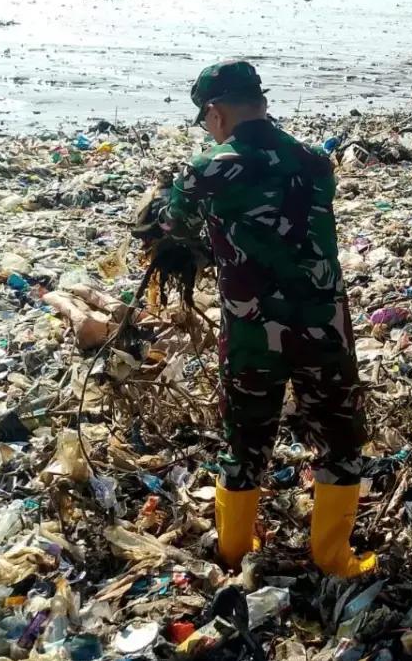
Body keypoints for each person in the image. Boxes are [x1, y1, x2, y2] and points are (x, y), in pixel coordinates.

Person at [147, 60, 375, 578]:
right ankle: (335, 558)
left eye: (205, 119)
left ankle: (232, 554)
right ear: (261, 101)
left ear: (216, 111)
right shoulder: (316, 161)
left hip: (252, 331)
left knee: (245, 442)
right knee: (339, 440)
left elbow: (169, 222)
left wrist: (172, 201)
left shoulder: (208, 168)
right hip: (324, 326)